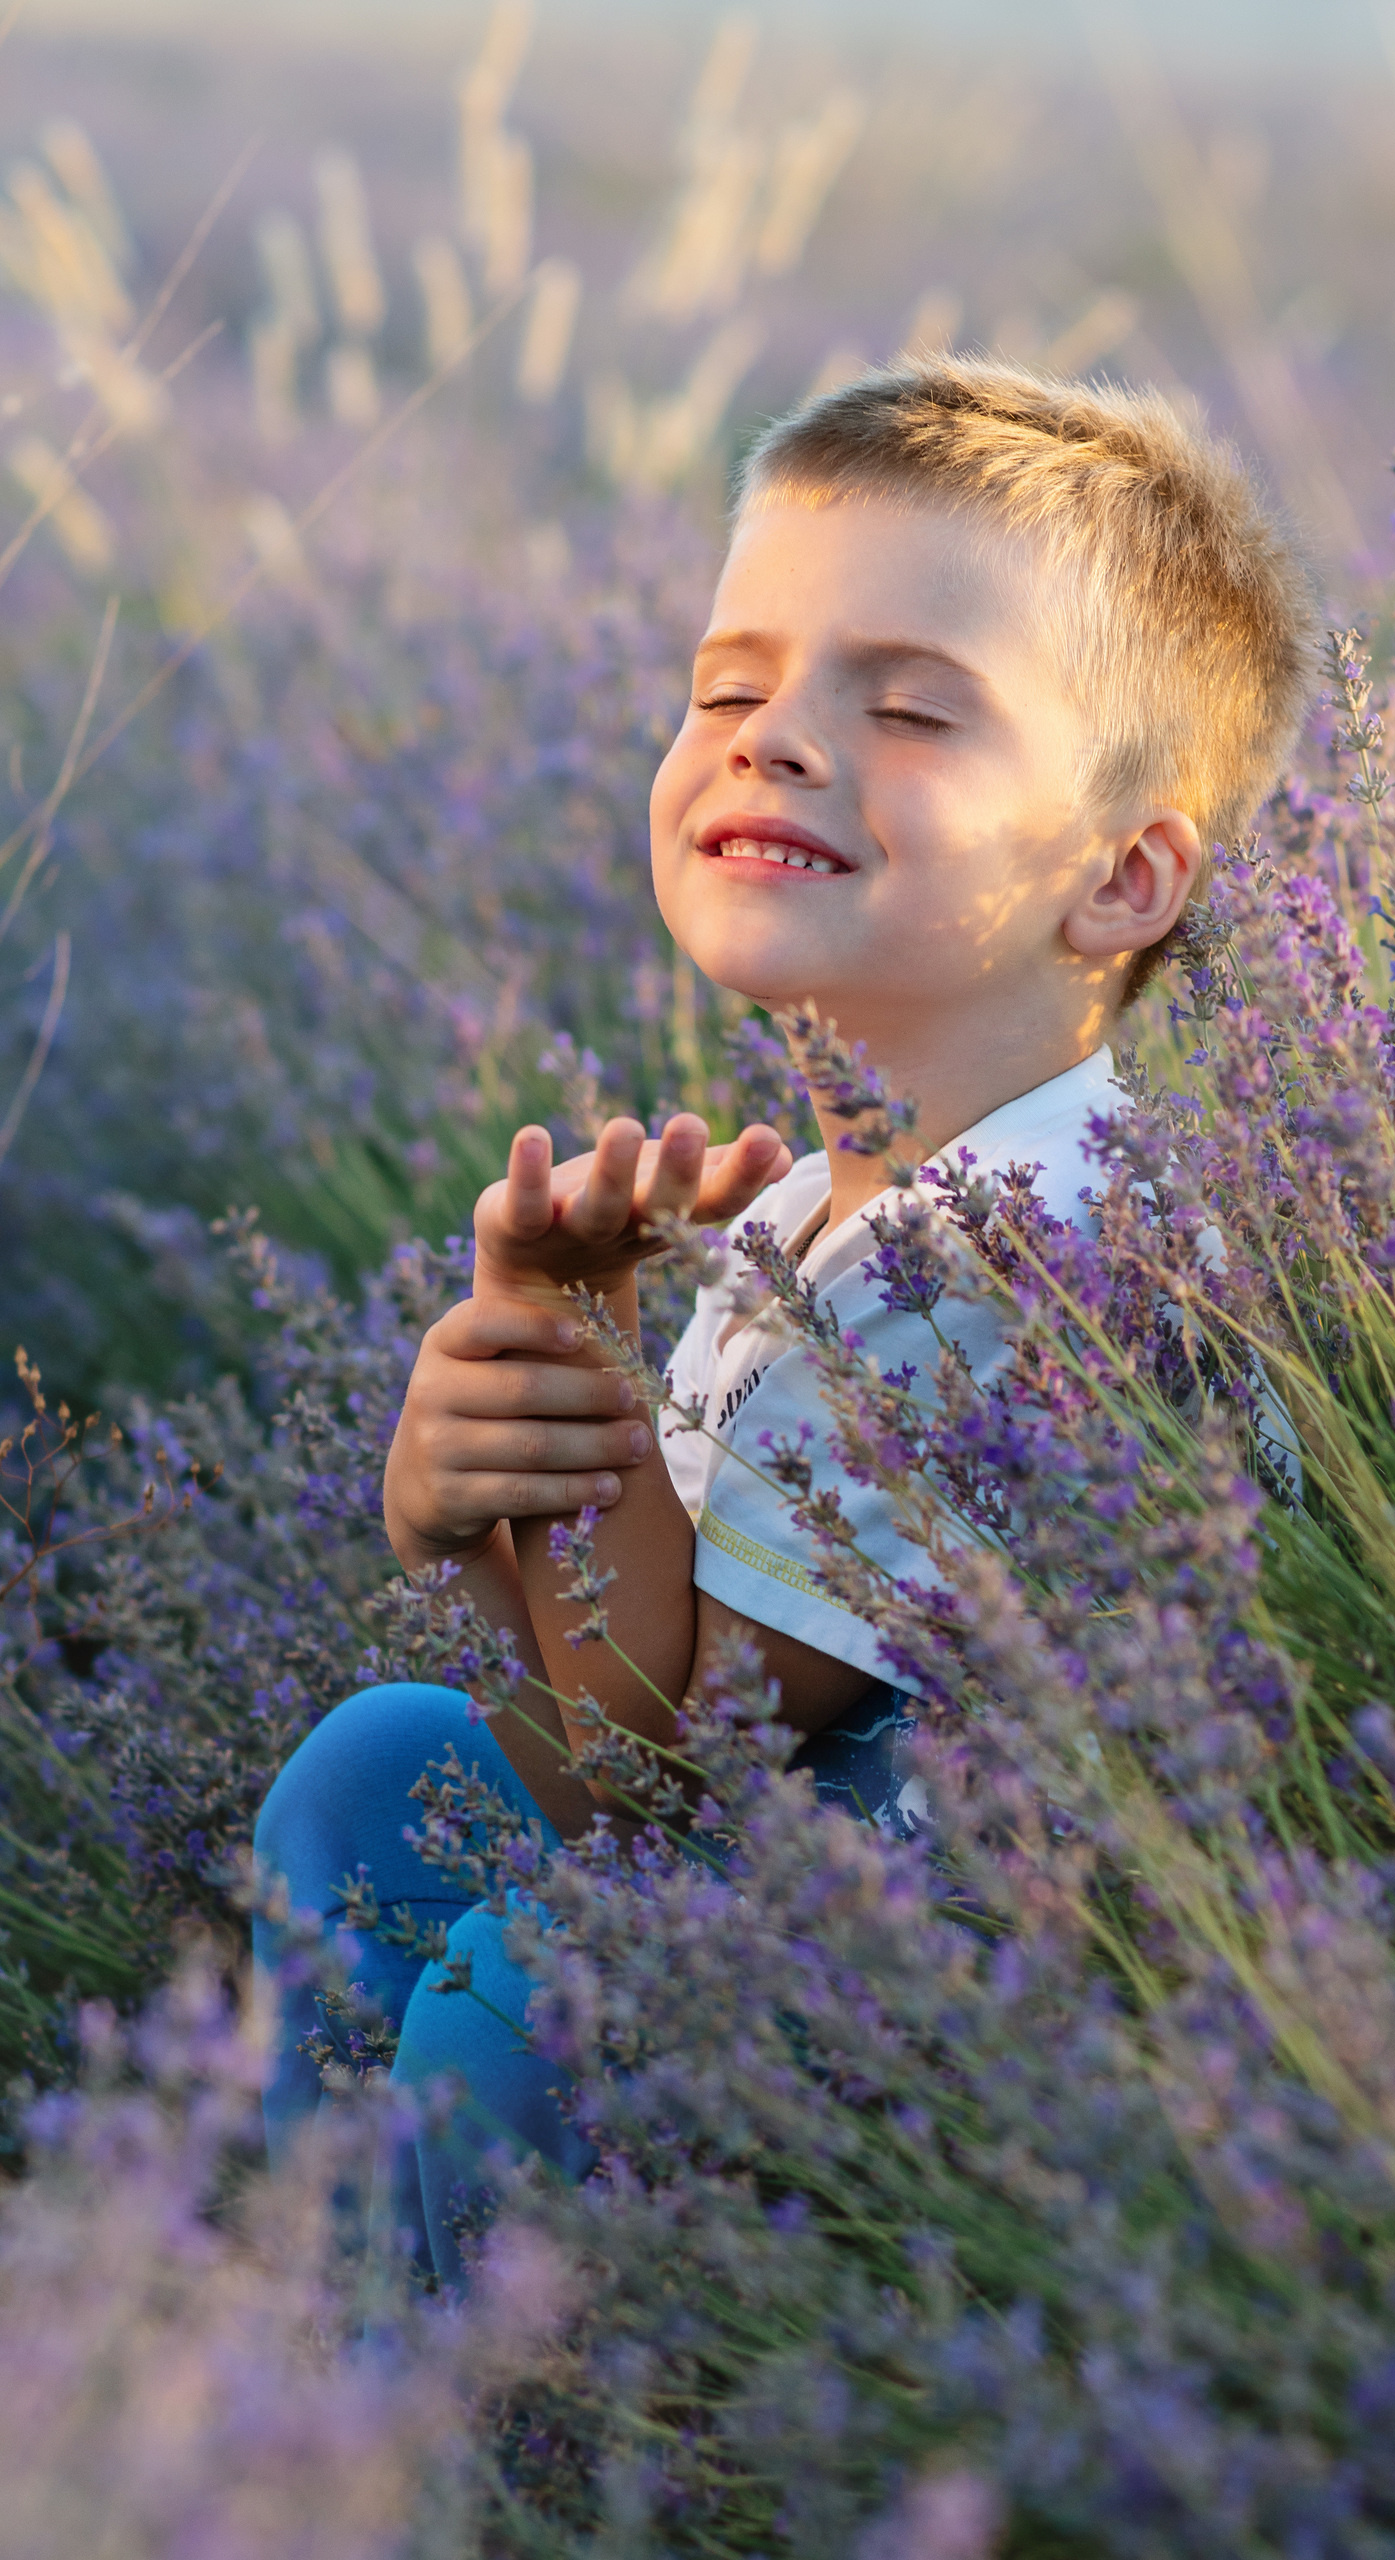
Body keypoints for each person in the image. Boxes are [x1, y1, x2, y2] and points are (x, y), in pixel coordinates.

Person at [254, 356, 1317, 2278]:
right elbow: (617, 1715)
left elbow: (670, 1774)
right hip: (791, 1878)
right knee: (378, 1776)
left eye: (907, 706)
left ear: (1120, 878)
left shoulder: (1018, 1262)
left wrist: (574, 1389)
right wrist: (501, 1490)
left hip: (1020, 1998)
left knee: (530, 1981)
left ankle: (504, 2405)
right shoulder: (828, 1211)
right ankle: (335, 2338)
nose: (778, 742)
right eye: (729, 688)